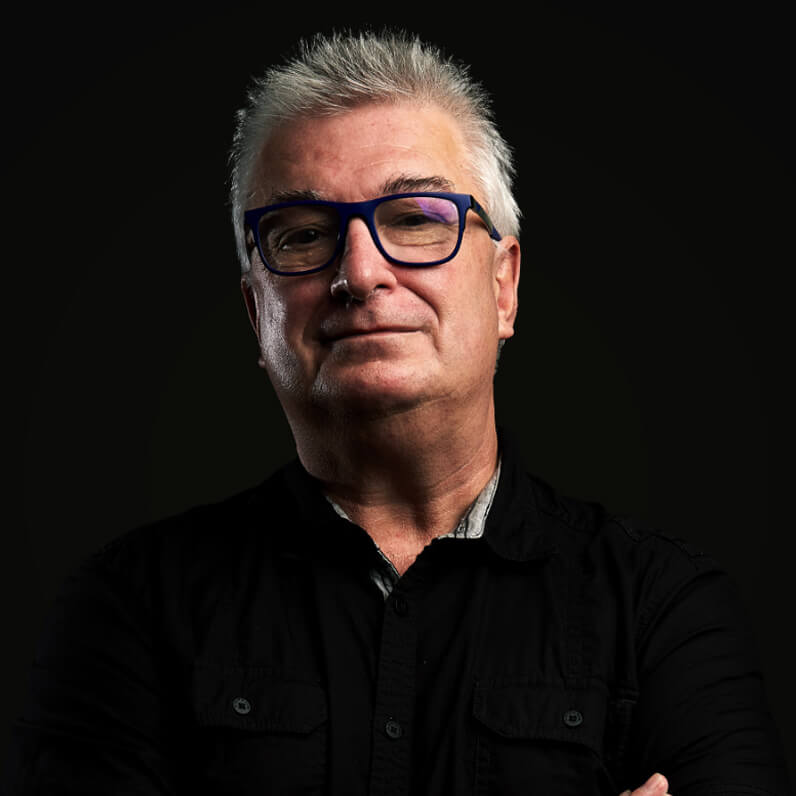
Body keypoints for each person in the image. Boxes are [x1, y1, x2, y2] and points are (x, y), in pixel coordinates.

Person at [3, 29, 790, 796]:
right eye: (303, 234)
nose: (360, 271)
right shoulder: (129, 608)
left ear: (504, 286)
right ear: (257, 313)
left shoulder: (664, 606)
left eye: (414, 219)